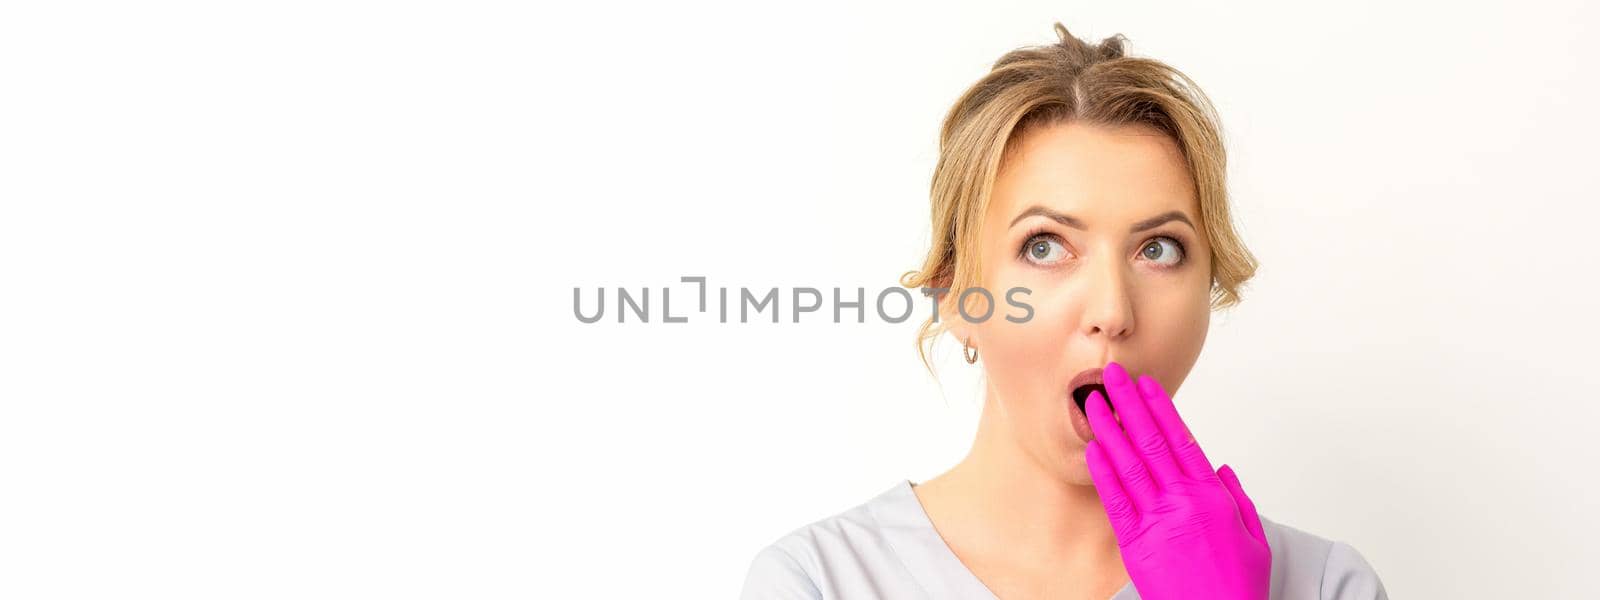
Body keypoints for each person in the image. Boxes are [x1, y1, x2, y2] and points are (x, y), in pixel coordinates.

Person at [738, 23, 1389, 600]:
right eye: (1045, 246)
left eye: (1158, 249)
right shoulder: (817, 581)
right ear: (956, 297)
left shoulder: (1325, 586)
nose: (1111, 311)